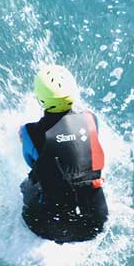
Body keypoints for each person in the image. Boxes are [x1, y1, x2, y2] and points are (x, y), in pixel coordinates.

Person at [20, 65, 108, 243]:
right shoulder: (91, 119)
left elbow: (31, 163)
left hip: (45, 226)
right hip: (96, 224)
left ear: (40, 99)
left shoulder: (29, 132)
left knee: (27, 182)